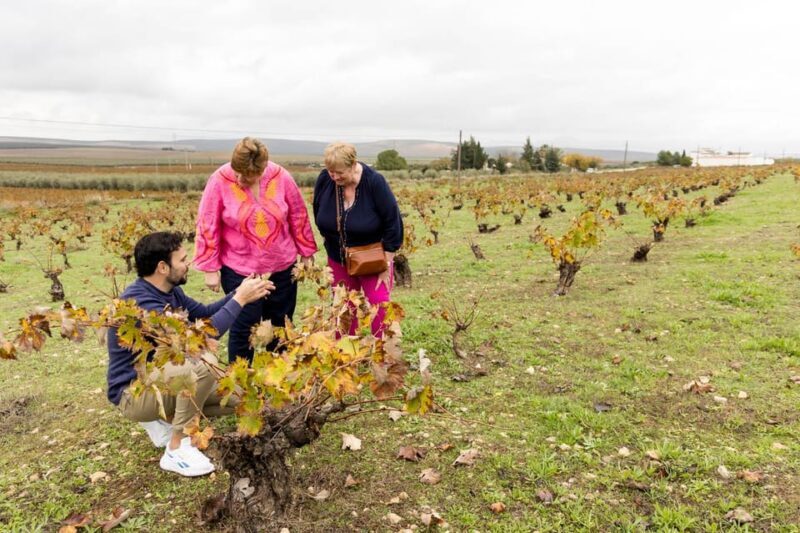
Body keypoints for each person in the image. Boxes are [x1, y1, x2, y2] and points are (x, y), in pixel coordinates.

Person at [107, 231, 274, 477]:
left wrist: (240, 291)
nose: (189, 264)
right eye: (183, 260)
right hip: (135, 394)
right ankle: (177, 447)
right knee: (202, 362)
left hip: (163, 380)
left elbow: (204, 314)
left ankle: (168, 418)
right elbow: (202, 339)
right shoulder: (144, 305)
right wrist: (240, 298)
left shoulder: (170, 291)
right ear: (163, 267)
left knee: (241, 397)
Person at [194, 137, 317, 363]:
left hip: (282, 266)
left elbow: (298, 214)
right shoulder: (219, 180)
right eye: (237, 172)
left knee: (281, 325)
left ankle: (280, 379)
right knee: (243, 327)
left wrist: (306, 251)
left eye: (248, 174)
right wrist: (210, 268)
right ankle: (240, 384)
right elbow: (208, 222)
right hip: (240, 270)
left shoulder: (282, 177)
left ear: (261, 169)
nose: (241, 179)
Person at [312, 142, 403, 336]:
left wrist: (386, 262)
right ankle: (346, 358)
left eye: (339, 172)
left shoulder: (374, 182)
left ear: (353, 165)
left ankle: (383, 354)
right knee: (343, 309)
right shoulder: (324, 180)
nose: (335, 177)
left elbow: (393, 222)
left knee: (380, 306)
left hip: (373, 259)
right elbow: (318, 212)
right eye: (331, 172)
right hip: (338, 258)